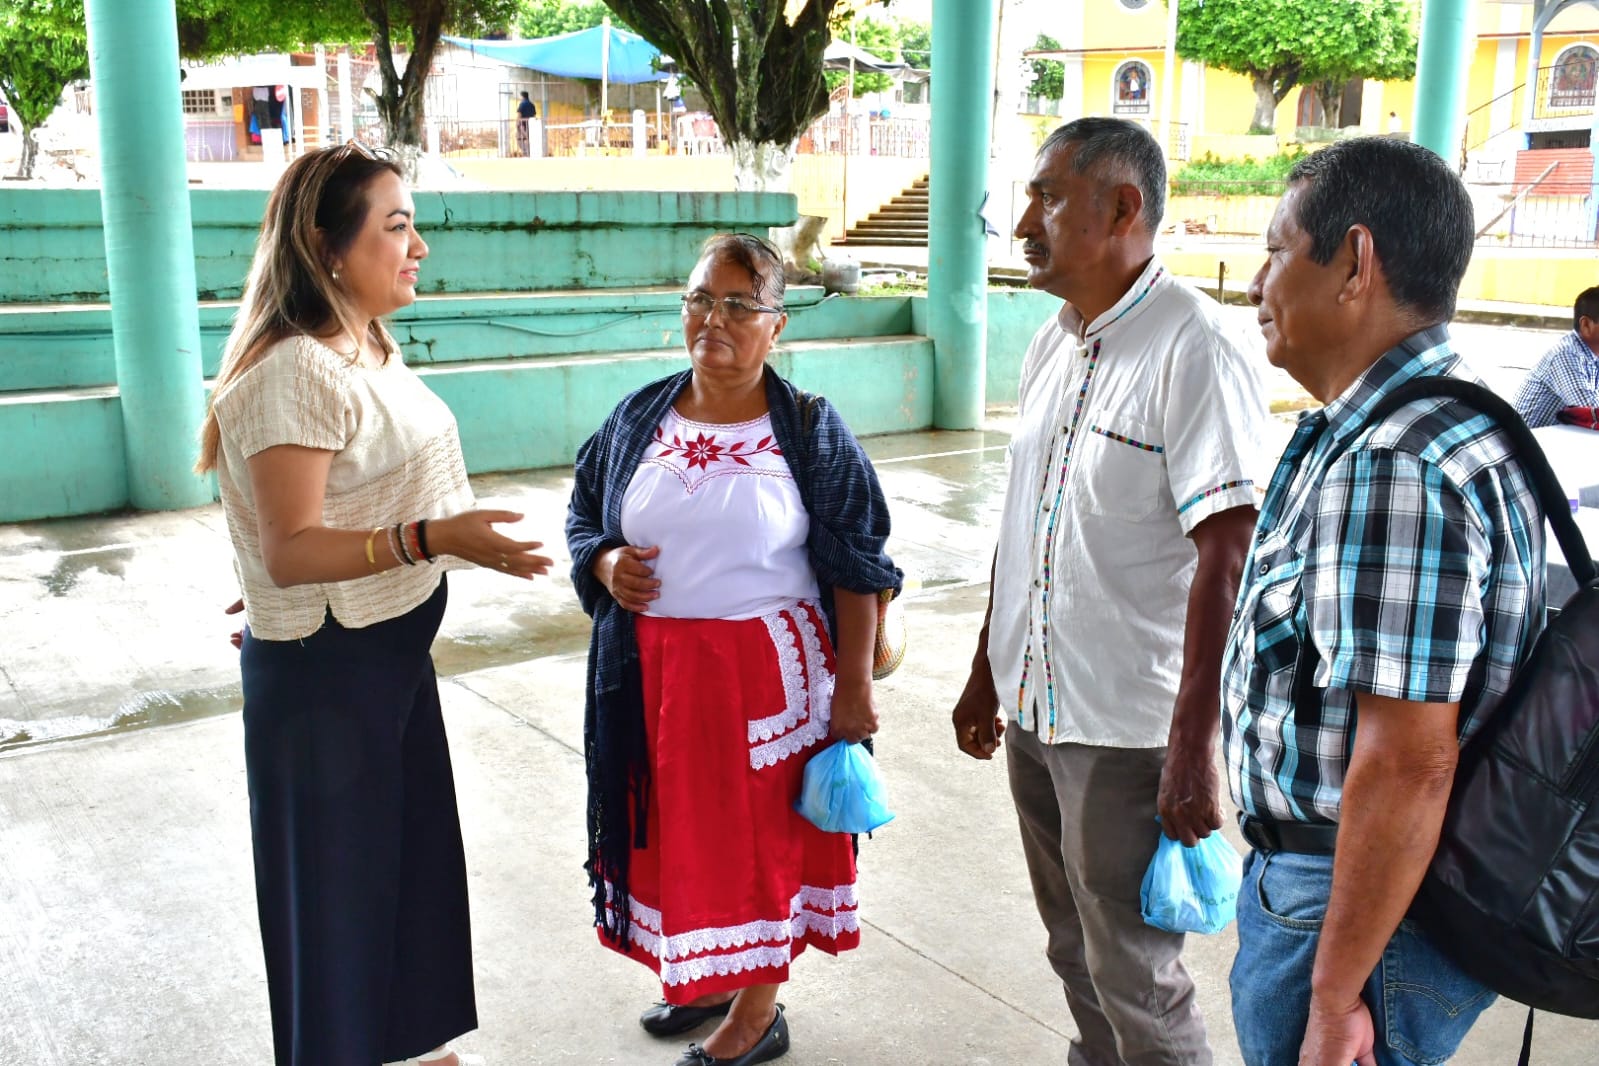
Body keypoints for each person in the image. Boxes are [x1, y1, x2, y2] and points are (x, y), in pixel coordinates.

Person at [196, 141, 554, 1066]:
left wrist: (340, 567)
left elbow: (318, 514)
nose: (418, 246)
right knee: (337, 914)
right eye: (395, 227)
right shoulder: (294, 371)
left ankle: (414, 1049)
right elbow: (287, 551)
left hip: (380, 663)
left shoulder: (363, 341)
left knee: (401, 884)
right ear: (326, 248)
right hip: (330, 684)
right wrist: (436, 539)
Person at [949, 116, 1270, 1066]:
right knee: (1071, 947)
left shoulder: (1193, 348)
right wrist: (984, 670)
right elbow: (1026, 525)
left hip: (1128, 728)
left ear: (1123, 206)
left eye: (1046, 196)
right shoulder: (1053, 343)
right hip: (1040, 705)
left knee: (1135, 969)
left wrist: (1191, 745)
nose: (1021, 223)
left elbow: (1227, 551)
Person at [1222, 136, 1546, 1066]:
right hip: (1370, 892)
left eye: (1277, 249)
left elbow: (1409, 761)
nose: (1255, 281)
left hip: (1349, 905)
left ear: (1354, 264)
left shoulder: (1393, 461)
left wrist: (1331, 997)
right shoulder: (1453, 413)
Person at [567, 233, 900, 1066]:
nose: (713, 319)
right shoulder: (640, 414)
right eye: (698, 299)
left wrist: (852, 690)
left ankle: (756, 1014)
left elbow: (860, 563)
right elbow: (583, 514)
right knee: (681, 833)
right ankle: (711, 978)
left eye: (739, 304)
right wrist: (605, 563)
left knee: (757, 846)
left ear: (776, 325)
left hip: (766, 678)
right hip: (655, 675)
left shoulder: (810, 431)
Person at [1513, 285, 1599, 427]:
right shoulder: (1567, 354)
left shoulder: (1593, 355)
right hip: (1526, 443)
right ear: (1586, 325)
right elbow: (1592, 415)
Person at [516, 91, 537, 156]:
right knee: (530, 138)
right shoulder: (532, 104)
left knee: (520, 139)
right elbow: (534, 115)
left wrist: (517, 123)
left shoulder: (522, 104)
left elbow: (519, 114)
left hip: (523, 125)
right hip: (531, 125)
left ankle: (526, 153)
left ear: (522, 96)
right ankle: (530, 152)